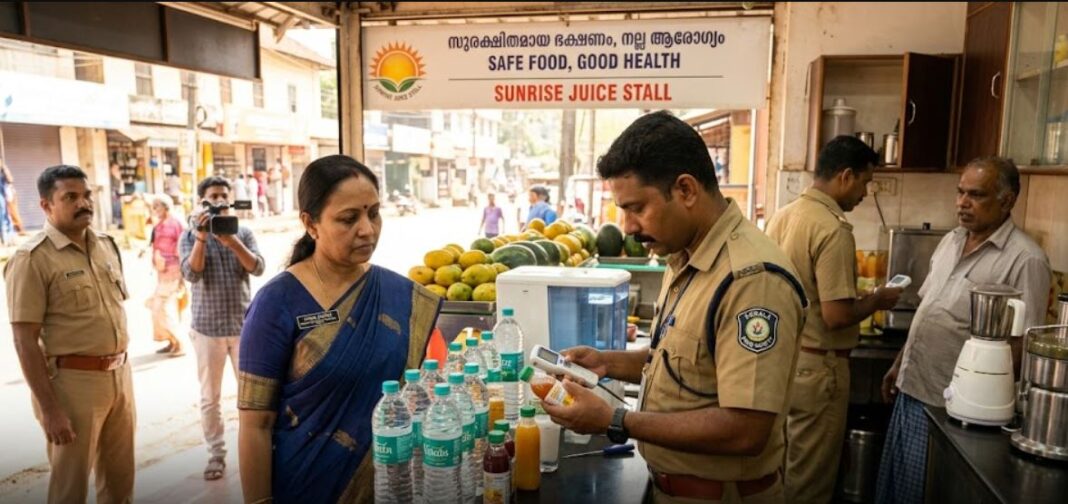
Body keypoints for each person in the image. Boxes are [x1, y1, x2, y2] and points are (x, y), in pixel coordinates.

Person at [540, 111, 807, 504]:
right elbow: (686, 359)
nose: (628, 227)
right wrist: (608, 362)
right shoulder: (685, 255)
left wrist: (615, 420)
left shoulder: (752, 280)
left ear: (685, 190)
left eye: (636, 208)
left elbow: (746, 430)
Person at [237, 155, 442, 503]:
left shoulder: (397, 296)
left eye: (374, 213)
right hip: (306, 485)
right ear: (311, 224)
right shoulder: (277, 303)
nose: (367, 229)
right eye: (349, 219)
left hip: (390, 486)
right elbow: (255, 425)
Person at [875, 157, 1051, 504]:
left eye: (976, 195)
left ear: (1007, 200)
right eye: (960, 193)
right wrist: (900, 362)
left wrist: (980, 406)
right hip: (913, 390)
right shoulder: (952, 240)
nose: (962, 203)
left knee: (924, 494)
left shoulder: (1025, 259)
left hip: (953, 412)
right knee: (896, 491)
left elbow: (1023, 345)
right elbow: (928, 311)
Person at [766, 136, 902, 503]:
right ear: (845, 176)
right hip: (819, 370)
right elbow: (837, 314)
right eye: (865, 182)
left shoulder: (784, 215)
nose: (865, 192)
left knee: (780, 473)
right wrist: (878, 299)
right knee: (810, 481)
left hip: (783, 363)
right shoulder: (833, 228)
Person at [4, 165, 135, 504]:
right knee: (70, 487)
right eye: (71, 197)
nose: (83, 203)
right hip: (73, 387)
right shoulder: (31, 259)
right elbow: (24, 341)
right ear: (47, 205)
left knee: (120, 482)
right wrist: (50, 410)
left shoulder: (106, 245)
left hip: (120, 377)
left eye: (87, 195)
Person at [179, 176, 265, 481]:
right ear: (203, 201)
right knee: (210, 397)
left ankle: (253, 450)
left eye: (223, 196)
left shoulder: (242, 232)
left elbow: (257, 267)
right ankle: (216, 454)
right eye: (213, 196)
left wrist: (232, 241)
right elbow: (191, 274)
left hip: (244, 326)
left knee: (252, 395)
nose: (219, 201)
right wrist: (202, 237)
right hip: (207, 329)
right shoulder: (190, 235)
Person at [146, 196, 185, 356]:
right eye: (153, 206)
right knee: (165, 307)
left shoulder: (176, 223)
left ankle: (179, 342)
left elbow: (183, 247)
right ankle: (171, 341)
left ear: (166, 206)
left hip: (173, 270)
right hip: (161, 271)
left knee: (160, 306)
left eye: (157, 206)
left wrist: (182, 273)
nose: (154, 209)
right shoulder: (159, 224)